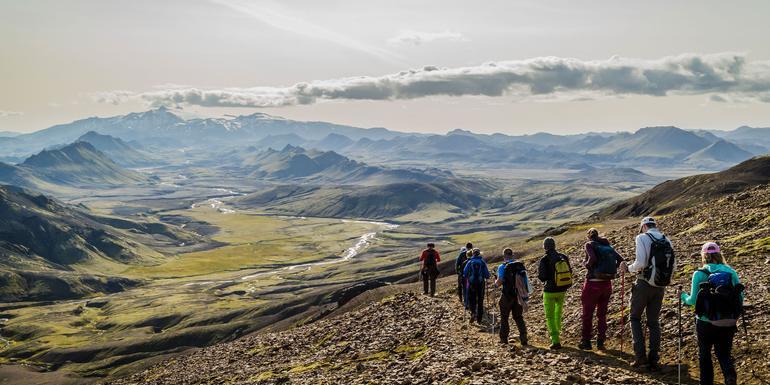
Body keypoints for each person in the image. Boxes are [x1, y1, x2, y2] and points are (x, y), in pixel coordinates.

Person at [681, 242, 743, 385]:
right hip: (728, 320)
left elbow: (692, 300)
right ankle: (730, 376)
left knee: (704, 354)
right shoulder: (730, 272)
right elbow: (740, 296)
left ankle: (706, 382)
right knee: (724, 353)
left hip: (705, 322)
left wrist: (682, 296)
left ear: (704, 256)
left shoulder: (699, 274)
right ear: (719, 254)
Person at [623, 216, 675, 371]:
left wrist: (628, 269)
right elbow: (673, 264)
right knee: (653, 321)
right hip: (660, 285)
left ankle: (640, 357)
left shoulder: (642, 237)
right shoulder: (666, 240)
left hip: (644, 283)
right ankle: (654, 358)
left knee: (635, 318)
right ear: (654, 225)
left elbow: (640, 263)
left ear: (644, 226)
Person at [579, 228, 624, 350]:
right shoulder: (607, 245)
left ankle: (586, 342)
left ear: (589, 236)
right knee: (602, 314)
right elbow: (620, 260)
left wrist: (587, 265)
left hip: (592, 284)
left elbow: (592, 259)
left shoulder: (589, 244)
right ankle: (600, 342)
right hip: (607, 285)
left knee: (587, 314)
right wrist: (611, 270)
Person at [537, 237, 573, 350]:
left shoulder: (544, 259)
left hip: (550, 291)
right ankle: (558, 332)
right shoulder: (563, 257)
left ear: (545, 247)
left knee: (550, 316)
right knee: (558, 312)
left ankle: (555, 340)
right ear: (554, 245)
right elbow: (570, 272)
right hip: (562, 289)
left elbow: (542, 277)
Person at [495, 248, 531, 346]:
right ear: (512, 255)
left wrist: (495, 283)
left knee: (504, 317)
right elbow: (525, 281)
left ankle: (503, 339)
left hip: (507, 295)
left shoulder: (502, 266)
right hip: (518, 295)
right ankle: (524, 338)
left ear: (504, 256)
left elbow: (499, 282)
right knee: (518, 317)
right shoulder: (519, 266)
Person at [463, 248, 490, 324]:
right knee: (480, 300)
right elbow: (487, 275)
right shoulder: (482, 262)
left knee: (472, 299)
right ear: (479, 254)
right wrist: (486, 276)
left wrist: (468, 277)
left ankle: (473, 313)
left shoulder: (470, 262)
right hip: (481, 284)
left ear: (473, 254)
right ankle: (479, 319)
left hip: (472, 284)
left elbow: (465, 273)